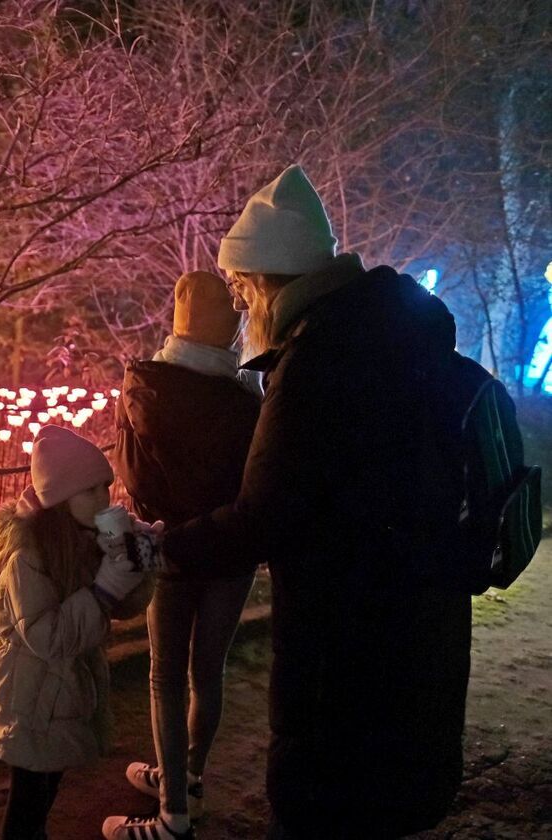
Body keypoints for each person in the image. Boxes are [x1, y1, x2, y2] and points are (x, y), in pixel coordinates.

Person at [132, 164, 472, 839]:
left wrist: (158, 546)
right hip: (416, 644)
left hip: (343, 662)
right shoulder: (394, 338)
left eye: (240, 288)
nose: (240, 307)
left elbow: (265, 515)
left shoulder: (320, 363)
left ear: (265, 283)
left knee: (324, 814)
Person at [102, 271, 262, 840]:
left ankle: (172, 813)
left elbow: (130, 471)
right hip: (230, 550)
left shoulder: (146, 388)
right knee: (207, 671)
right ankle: (189, 773)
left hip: (168, 546)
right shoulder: (248, 395)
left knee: (164, 677)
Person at [0, 425, 158, 840]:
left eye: (105, 487)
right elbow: (48, 638)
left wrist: (139, 565)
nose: (105, 499)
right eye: (91, 491)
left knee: (47, 787)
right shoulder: (28, 557)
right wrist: (103, 586)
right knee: (27, 802)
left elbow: (122, 610)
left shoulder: (84, 539)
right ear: (61, 500)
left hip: (64, 691)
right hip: (30, 695)